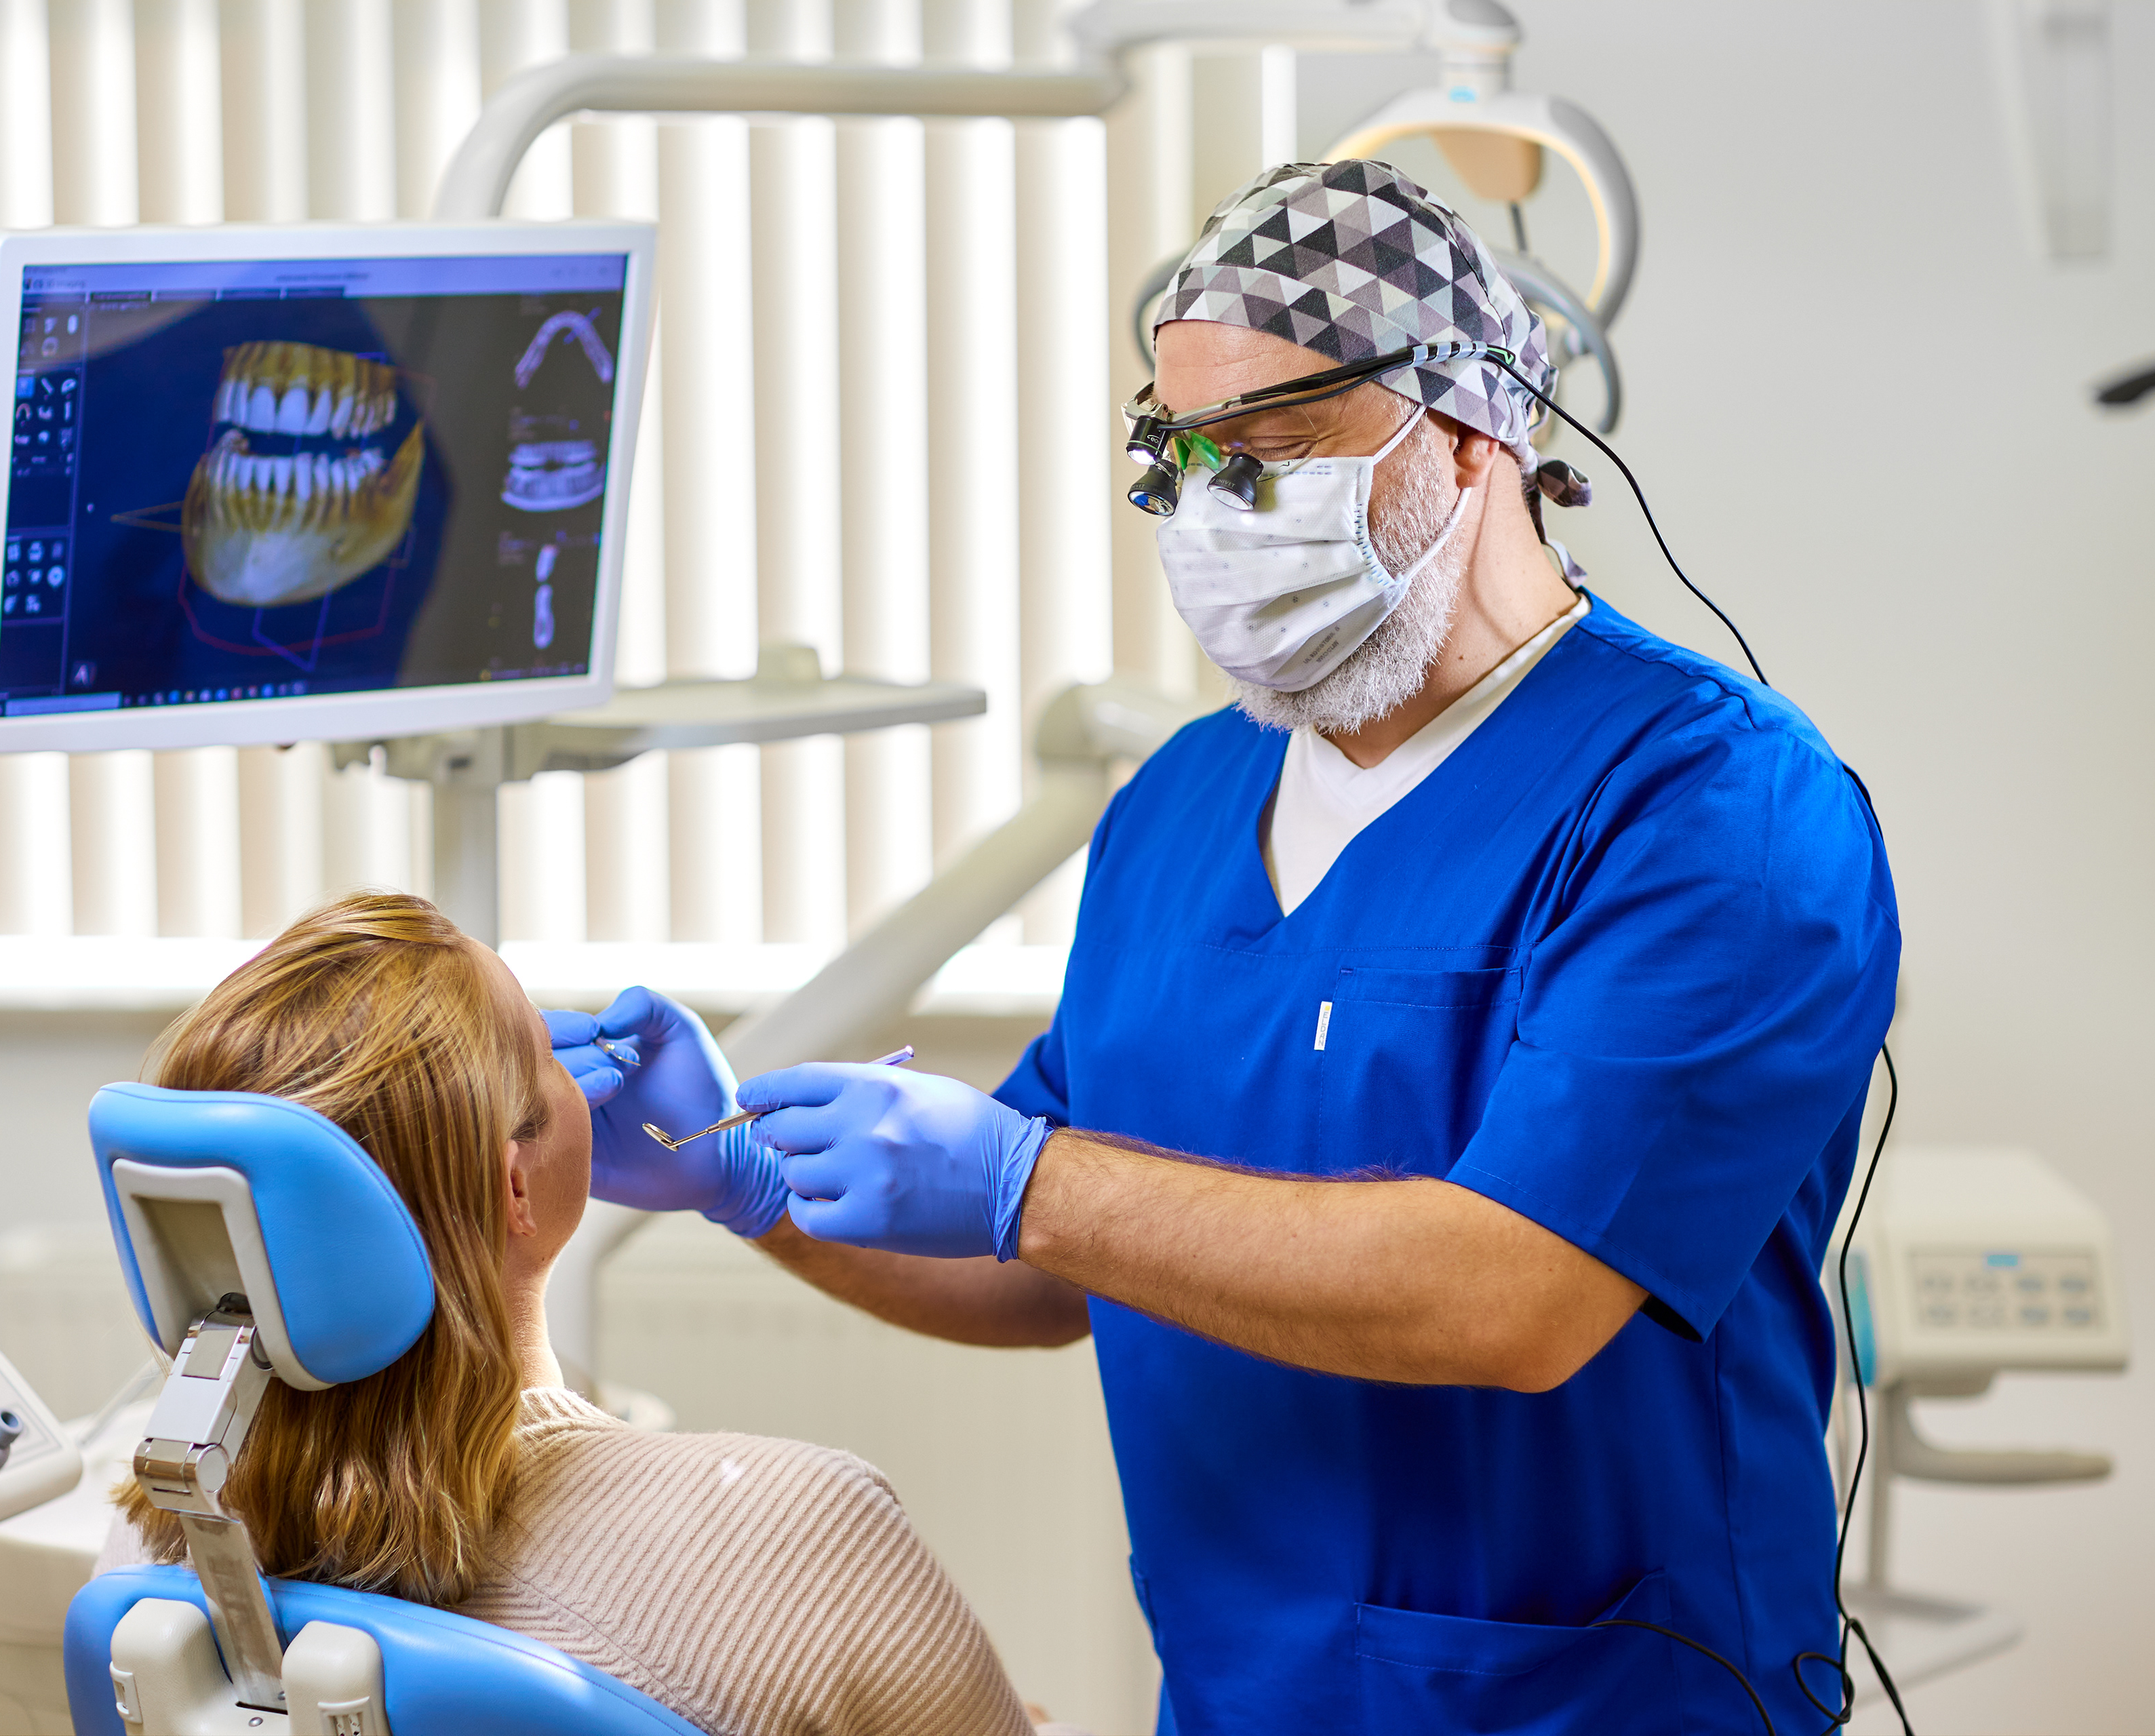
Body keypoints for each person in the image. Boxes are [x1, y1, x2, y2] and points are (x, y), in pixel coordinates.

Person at [548, 161, 1902, 1734]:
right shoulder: (1181, 805)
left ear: (1471, 433)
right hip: (1240, 1692)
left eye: (1271, 450)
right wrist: (744, 1179)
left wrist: (1027, 1179)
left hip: (1603, 1699)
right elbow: (1048, 1268)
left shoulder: (1713, 803)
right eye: (1179, 457)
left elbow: (1518, 1292)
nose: (1213, 512)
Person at [99, 892, 1060, 1736]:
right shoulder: (793, 1542)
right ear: (515, 1186)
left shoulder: (156, 1554)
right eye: (541, 1045)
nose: (577, 1059)